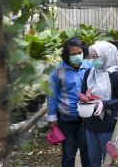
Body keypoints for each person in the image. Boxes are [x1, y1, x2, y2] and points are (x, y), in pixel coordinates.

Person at [81, 41, 118, 167]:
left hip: (107, 124)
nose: (92, 60)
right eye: (91, 56)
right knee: (93, 160)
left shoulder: (114, 75)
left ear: (105, 56)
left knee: (108, 159)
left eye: (95, 56)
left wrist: (104, 103)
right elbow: (83, 95)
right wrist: (83, 104)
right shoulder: (89, 73)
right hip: (90, 124)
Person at [47, 38, 91, 167]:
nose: (77, 56)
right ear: (66, 55)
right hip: (67, 118)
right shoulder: (57, 70)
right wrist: (52, 118)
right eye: (73, 54)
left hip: (87, 119)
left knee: (87, 151)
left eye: (79, 52)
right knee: (68, 154)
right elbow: (52, 95)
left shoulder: (89, 67)